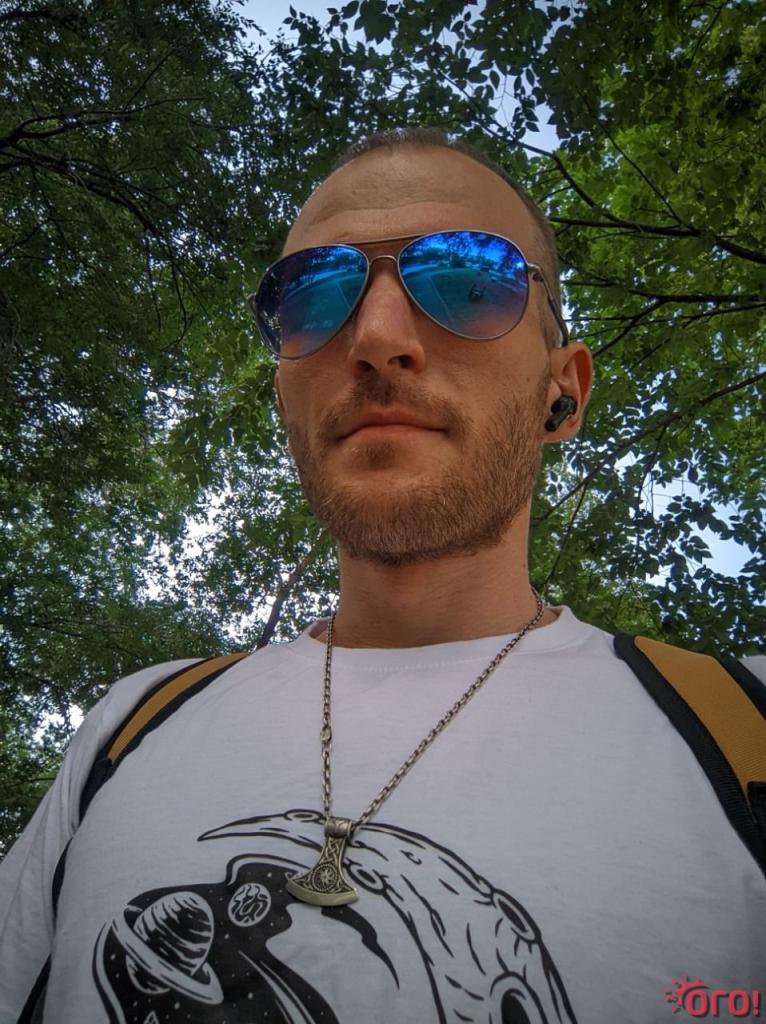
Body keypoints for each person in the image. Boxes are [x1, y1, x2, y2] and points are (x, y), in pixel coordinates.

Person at [1, 127, 764, 1024]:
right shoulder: (130, 729)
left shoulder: (743, 733)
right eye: (313, 294)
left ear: (564, 391)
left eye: (468, 280)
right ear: (285, 396)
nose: (376, 337)